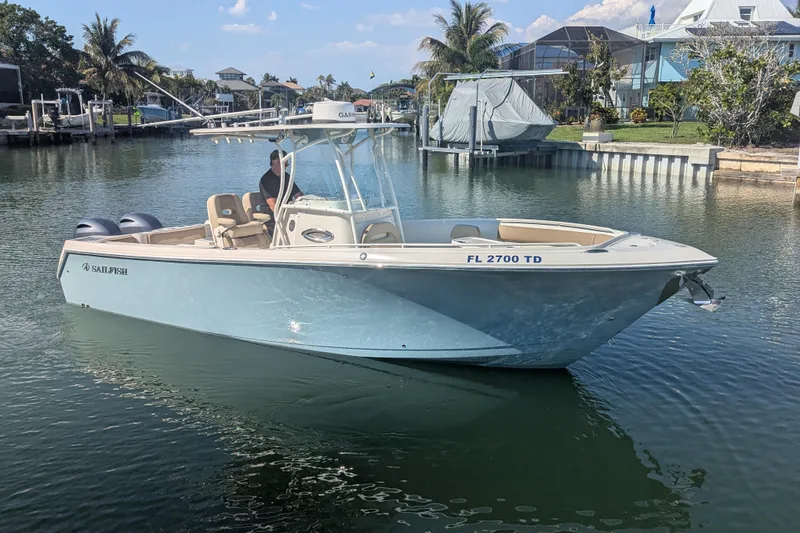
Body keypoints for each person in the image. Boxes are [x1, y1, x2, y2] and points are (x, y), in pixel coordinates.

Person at [258, 149, 303, 228]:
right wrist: (283, 219)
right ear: (274, 162)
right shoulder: (266, 179)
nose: (285, 167)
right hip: (272, 218)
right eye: (283, 164)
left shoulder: (286, 177)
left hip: (287, 213)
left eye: (286, 165)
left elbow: (298, 195)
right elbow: (273, 205)